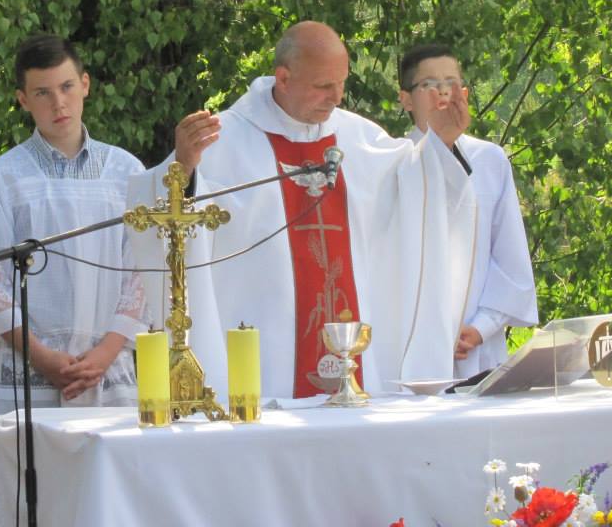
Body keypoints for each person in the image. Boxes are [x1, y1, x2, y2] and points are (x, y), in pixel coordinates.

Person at [128, 21, 478, 399]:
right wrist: (183, 167)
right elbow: (163, 214)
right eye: (324, 86)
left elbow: (415, 185)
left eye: (341, 83)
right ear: (283, 78)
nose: (337, 97)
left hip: (354, 361)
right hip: (264, 360)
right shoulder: (223, 140)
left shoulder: (357, 137)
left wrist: (440, 144)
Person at [0, 35, 147, 412]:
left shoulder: (126, 172)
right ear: (23, 100)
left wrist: (105, 353)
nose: (58, 103)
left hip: (107, 369)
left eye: (66, 87)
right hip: (31, 370)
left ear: (85, 84)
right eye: (42, 93)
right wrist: (44, 358)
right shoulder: (3, 176)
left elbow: (140, 272)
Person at [398, 43, 538, 378]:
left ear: (464, 93)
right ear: (406, 99)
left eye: (451, 83)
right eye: (430, 85)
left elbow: (509, 257)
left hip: (478, 346)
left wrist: (482, 326)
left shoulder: (489, 160)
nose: (442, 94)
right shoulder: (392, 161)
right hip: (411, 343)